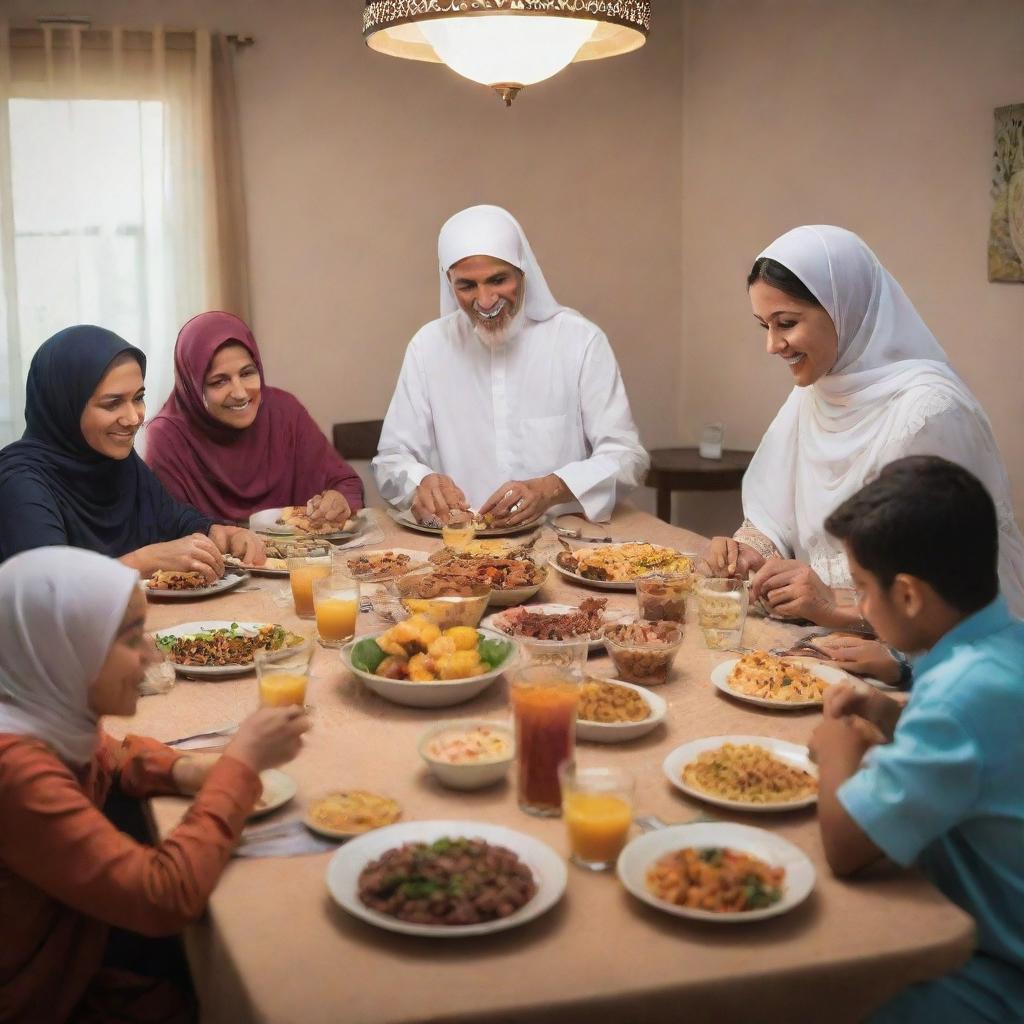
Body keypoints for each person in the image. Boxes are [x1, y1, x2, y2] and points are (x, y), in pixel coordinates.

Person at [0, 546, 312, 1022]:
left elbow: (112, 753)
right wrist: (241, 765)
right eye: (130, 639)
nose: (151, 655)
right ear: (65, 650)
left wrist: (188, 770)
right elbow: (162, 896)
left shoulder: (36, 708)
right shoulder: (15, 770)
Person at [704, 225, 1024, 626]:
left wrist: (833, 602)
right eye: (764, 325)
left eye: (786, 323)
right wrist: (753, 550)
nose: (772, 345)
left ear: (845, 309)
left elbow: (948, 590)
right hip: (825, 636)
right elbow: (774, 512)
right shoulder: (814, 394)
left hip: (932, 654)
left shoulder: (930, 412)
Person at [807, 457, 1024, 1024]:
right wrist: (886, 714)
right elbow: (984, 760)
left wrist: (836, 746)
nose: (858, 607)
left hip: (995, 968)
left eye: (859, 588)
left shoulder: (958, 696)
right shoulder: (1002, 649)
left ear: (907, 595)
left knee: (813, 982)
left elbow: (846, 848)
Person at [372, 205, 649, 527]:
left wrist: (552, 488)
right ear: (449, 283)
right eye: (467, 286)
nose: (486, 300)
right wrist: (420, 482)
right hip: (459, 546)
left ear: (522, 271)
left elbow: (628, 457)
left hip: (562, 538)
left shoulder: (579, 341)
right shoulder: (428, 347)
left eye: (498, 280)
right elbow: (391, 459)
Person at [0, 325, 264, 579]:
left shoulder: (116, 462)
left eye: (138, 398)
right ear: (65, 406)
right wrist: (144, 562)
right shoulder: (20, 481)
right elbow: (45, 589)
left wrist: (220, 533)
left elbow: (174, 519)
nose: (133, 417)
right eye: (113, 403)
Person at [145, 311, 364, 525]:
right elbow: (171, 528)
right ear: (192, 387)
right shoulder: (167, 437)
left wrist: (338, 500)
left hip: (302, 559)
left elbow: (345, 482)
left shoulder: (283, 411)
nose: (240, 393)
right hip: (212, 560)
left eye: (247, 373)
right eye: (219, 381)